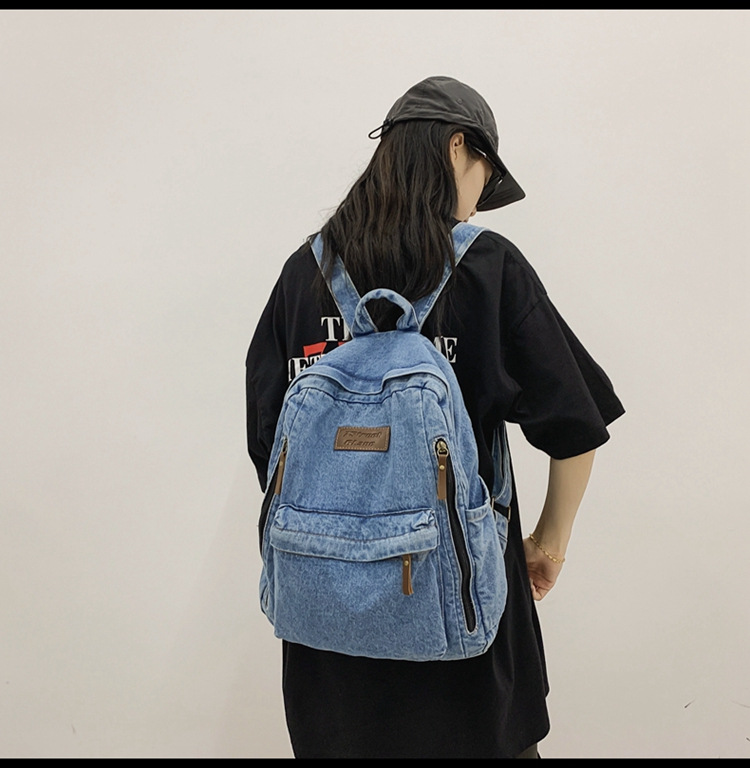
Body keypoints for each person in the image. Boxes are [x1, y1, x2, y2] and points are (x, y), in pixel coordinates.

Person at [245, 75, 625, 759]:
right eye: (486, 176)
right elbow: (575, 425)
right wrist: (548, 543)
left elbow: (266, 440)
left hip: (326, 644)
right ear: (457, 147)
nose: (480, 201)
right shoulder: (489, 267)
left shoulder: (303, 272)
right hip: (462, 633)